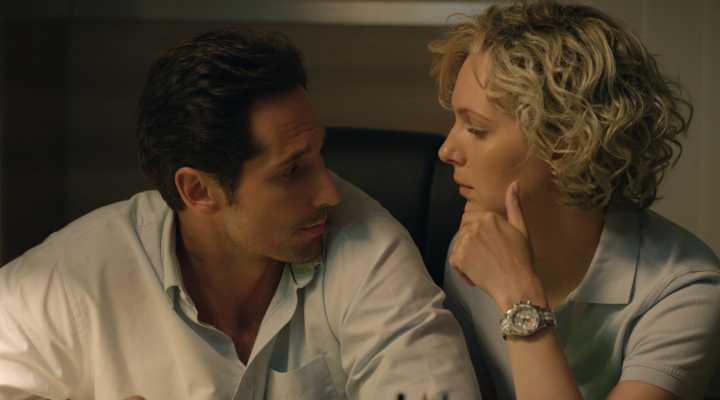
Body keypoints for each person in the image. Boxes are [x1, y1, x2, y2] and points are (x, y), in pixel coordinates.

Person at [0, 28, 481, 399]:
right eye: (292, 172)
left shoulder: (368, 245)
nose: (329, 192)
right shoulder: (74, 274)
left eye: (320, 155)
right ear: (198, 191)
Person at [429, 1, 720, 399]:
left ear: (565, 143)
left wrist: (518, 298)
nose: (446, 150)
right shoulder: (474, 252)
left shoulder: (685, 291)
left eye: (476, 129)